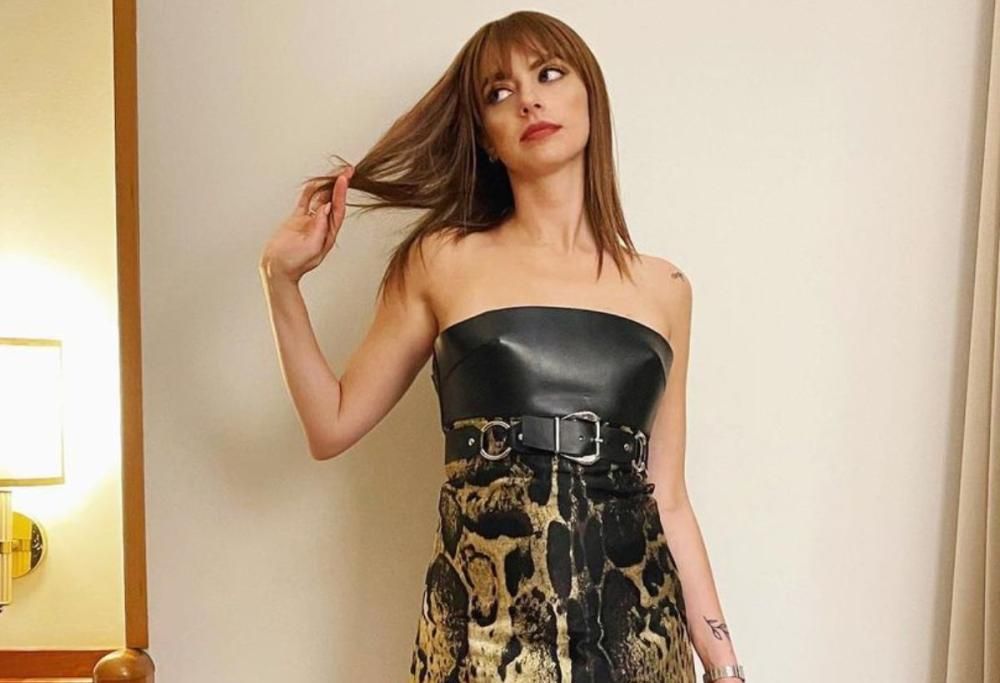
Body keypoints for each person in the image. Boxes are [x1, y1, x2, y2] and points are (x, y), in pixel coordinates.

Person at [258, 10, 745, 683]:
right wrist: (280, 280)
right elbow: (330, 424)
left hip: (639, 639)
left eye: (549, 74)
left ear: (591, 98)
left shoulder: (664, 288)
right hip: (486, 643)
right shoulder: (441, 261)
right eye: (499, 91)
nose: (529, 101)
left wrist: (725, 665)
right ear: (486, 137)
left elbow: (670, 499)